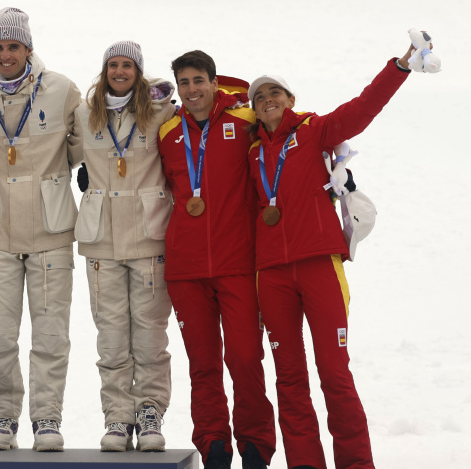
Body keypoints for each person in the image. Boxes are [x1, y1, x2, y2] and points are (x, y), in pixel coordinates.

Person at [246, 41, 419, 469]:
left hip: (319, 264)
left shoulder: (314, 130)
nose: (267, 100)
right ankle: (305, 463)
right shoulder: (250, 153)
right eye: (259, 97)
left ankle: (356, 464)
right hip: (271, 273)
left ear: (290, 99)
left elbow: (363, 109)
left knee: (334, 373)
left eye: (274, 92)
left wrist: (398, 67)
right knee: (289, 378)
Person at [0, 6, 82, 452]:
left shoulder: (62, 90)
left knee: (51, 335)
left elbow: (88, 141)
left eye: (13, 46)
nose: (5, 55)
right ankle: (2, 417)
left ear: (29, 48)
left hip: (50, 230)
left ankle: (47, 418)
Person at [157, 50, 276, 469]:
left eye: (198, 81)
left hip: (237, 263)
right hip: (185, 268)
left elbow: (282, 143)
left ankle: (256, 446)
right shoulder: (167, 130)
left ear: (213, 82)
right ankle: (213, 446)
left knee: (245, 359)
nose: (192, 90)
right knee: (203, 364)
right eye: (184, 82)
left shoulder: (245, 121)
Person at [73, 41, 174, 452]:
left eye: (127, 65)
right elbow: (56, 152)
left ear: (139, 71)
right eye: (113, 65)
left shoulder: (161, 111)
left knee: (150, 336)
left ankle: (150, 413)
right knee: (111, 338)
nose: (119, 71)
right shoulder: (85, 113)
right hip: (102, 240)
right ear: (104, 70)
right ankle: (117, 417)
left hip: (149, 237)